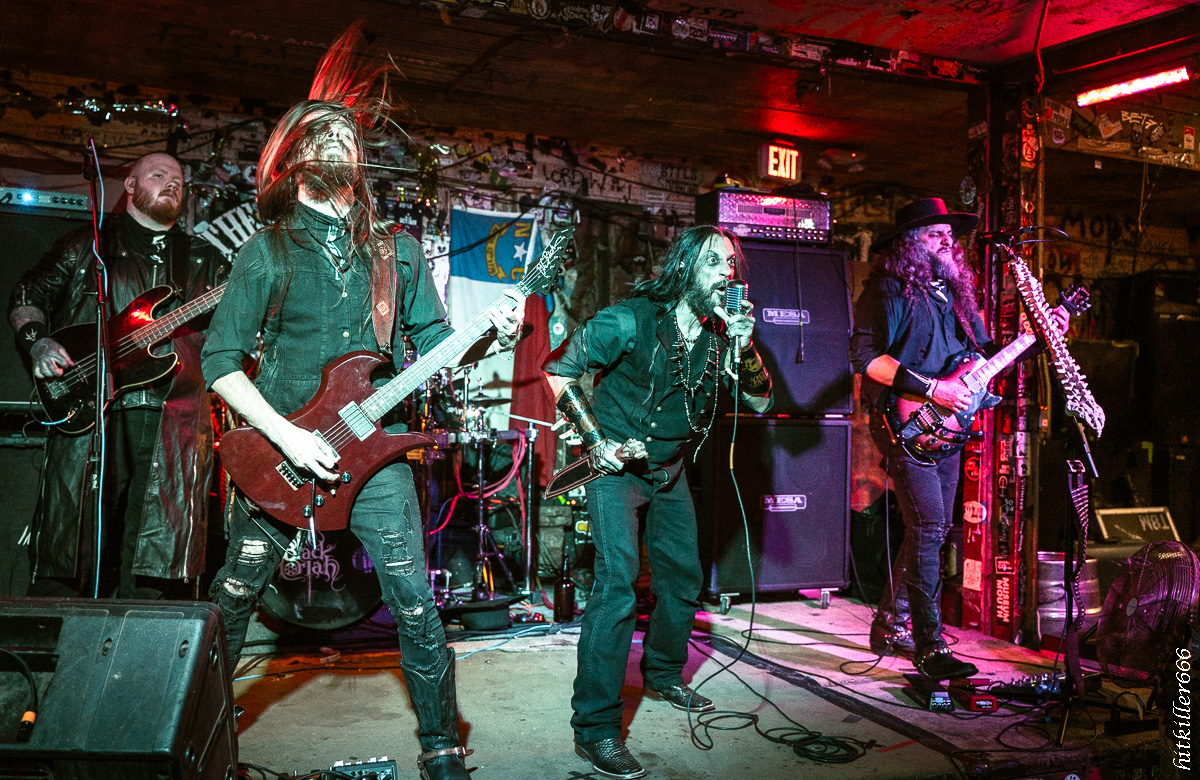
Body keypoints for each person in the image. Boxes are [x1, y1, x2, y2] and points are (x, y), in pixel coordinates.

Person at [199, 31, 523, 780]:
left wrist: (492, 333)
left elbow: (437, 345)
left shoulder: (395, 251)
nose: (338, 141)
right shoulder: (267, 250)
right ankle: (198, 736)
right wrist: (286, 437)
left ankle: (442, 748)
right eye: (322, 134)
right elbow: (219, 362)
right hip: (280, 452)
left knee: (413, 601)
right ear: (295, 157)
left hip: (374, 451)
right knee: (234, 596)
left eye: (346, 134)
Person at [544, 224, 773, 779]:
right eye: (714, 263)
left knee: (683, 576)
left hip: (669, 471)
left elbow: (761, 402)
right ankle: (595, 728)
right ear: (686, 267)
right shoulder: (630, 320)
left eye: (731, 264)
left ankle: (665, 673)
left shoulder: (723, 334)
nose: (726, 273)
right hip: (615, 467)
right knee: (617, 583)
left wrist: (744, 348)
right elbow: (558, 370)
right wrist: (595, 440)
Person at [849, 198, 1068, 680]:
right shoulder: (888, 290)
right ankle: (930, 646)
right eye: (936, 234)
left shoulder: (958, 297)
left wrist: (1039, 337)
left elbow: (985, 360)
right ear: (909, 245)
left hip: (948, 427)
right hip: (904, 424)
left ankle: (890, 624)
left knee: (929, 528)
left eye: (950, 235)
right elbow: (865, 358)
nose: (949, 242)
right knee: (929, 528)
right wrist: (934, 390)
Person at [8, 152, 227, 599]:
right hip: (93, 408)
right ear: (130, 186)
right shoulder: (88, 245)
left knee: (152, 558)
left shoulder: (204, 258)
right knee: (77, 544)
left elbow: (240, 326)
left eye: (179, 179)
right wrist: (37, 342)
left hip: (173, 417)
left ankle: (141, 636)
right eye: (159, 175)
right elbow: (29, 292)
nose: (172, 183)